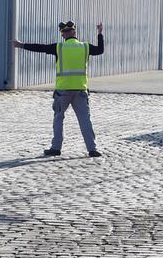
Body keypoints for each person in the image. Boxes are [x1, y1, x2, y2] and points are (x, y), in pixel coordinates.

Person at [12, 21, 105, 157]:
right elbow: (100, 50)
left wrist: (21, 45)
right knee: (85, 120)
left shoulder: (59, 47)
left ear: (63, 34)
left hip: (63, 91)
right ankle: (92, 149)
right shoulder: (85, 47)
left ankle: (56, 148)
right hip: (80, 90)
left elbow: (41, 48)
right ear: (74, 32)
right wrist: (100, 33)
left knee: (58, 118)